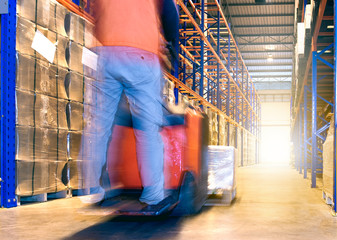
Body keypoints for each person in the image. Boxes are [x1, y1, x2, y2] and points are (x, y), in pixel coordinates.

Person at [81, 0, 179, 207]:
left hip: (105, 52)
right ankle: (153, 195)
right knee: (147, 128)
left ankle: (96, 191)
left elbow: (93, 13)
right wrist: (172, 44)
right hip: (140, 52)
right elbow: (170, 12)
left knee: (100, 127)